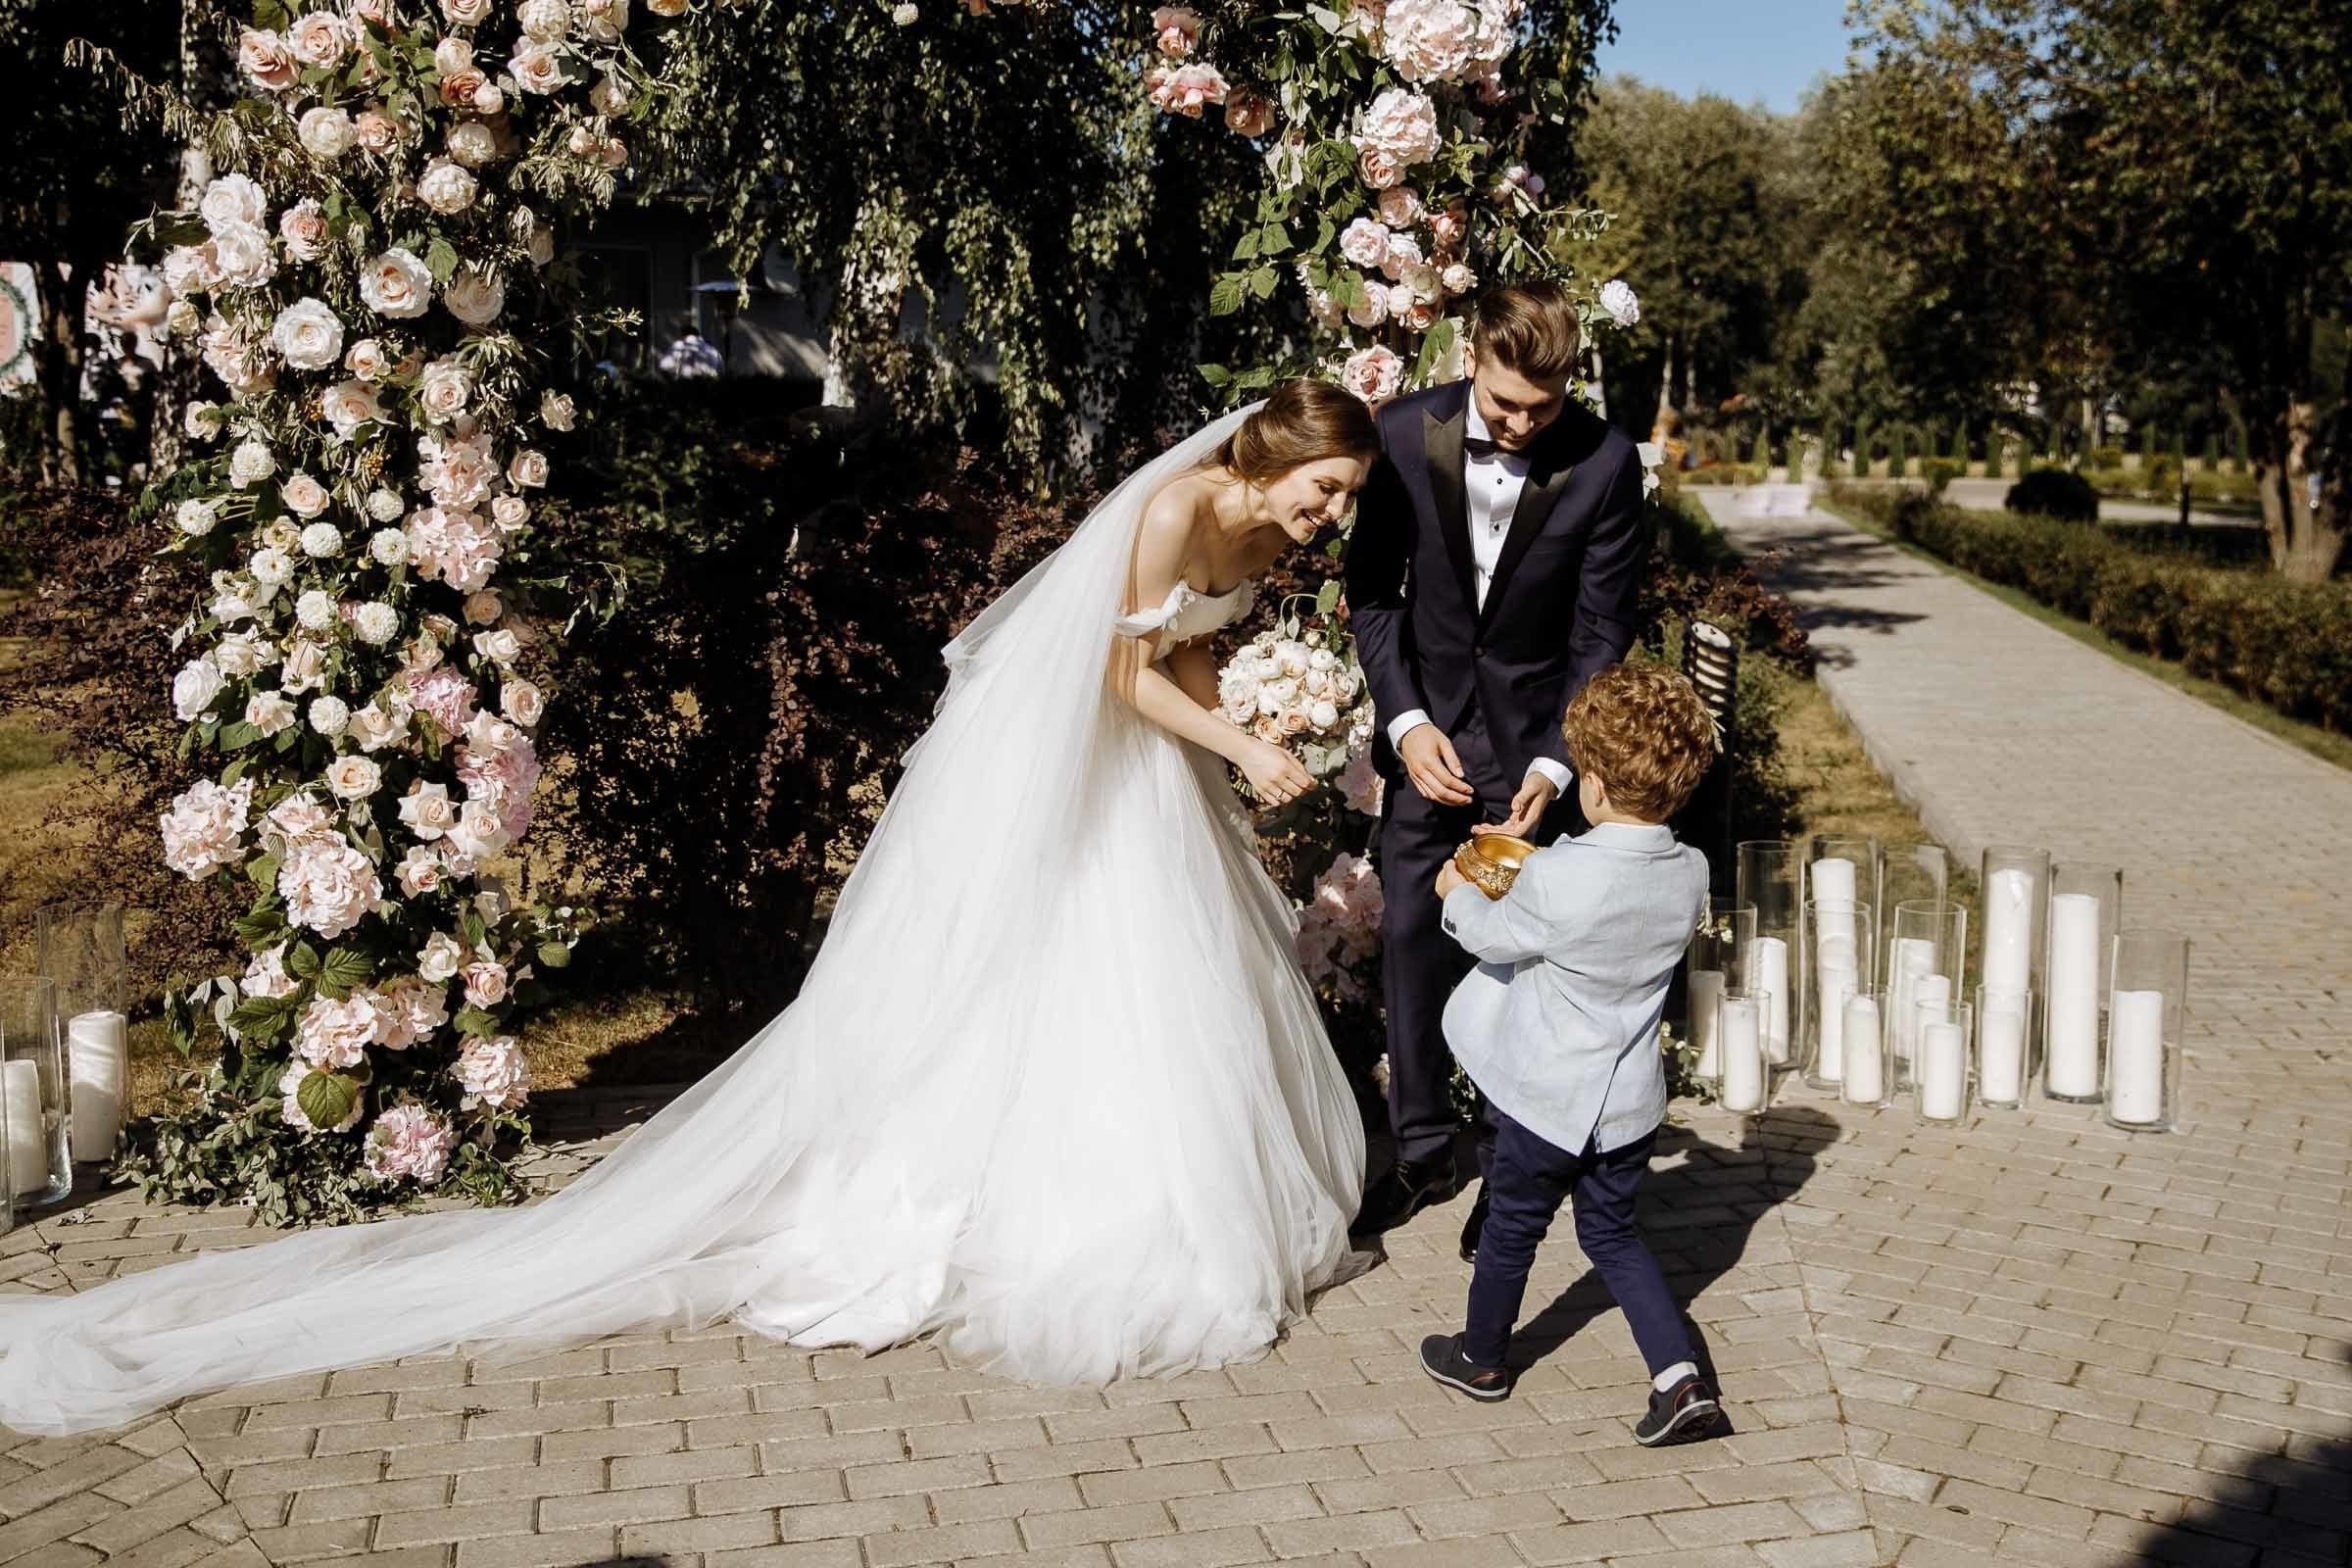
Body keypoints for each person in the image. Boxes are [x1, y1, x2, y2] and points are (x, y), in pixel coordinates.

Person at [0, 382, 1377, 1436]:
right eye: (1322, 492)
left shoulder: (1253, 526)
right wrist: (1246, 744)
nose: (1329, 518)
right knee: (1076, 975)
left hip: (1151, 779)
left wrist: (1239, 715)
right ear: (1266, 455)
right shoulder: (1174, 509)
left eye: (1343, 502)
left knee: (1145, 996)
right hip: (1085, 770)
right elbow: (1106, 674)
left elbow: (1180, 653)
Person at [1344, 282, 1651, 1238]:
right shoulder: (1400, 432)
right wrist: (1403, 722)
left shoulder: (1603, 463)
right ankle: (1424, 1153)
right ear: (1471, 359)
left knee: (1525, 963)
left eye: (1542, 409)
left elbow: (1603, 631)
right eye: (1506, 404)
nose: (1520, 426)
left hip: (1528, 764)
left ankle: (1516, 1173)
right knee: (1408, 937)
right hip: (1427, 743)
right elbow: (1373, 592)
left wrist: (1559, 766)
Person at [1415, 662, 1724, 1447]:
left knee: (1514, 1227)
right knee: (1614, 1236)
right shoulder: (1690, 871)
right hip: (1626, 1109)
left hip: (1546, 1102)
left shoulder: (1555, 877)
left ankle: (1481, 1356)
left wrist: (1461, 881)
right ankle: (1678, 1378)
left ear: (1589, 782)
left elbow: (1493, 931)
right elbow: (1591, 892)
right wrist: (1520, 862)